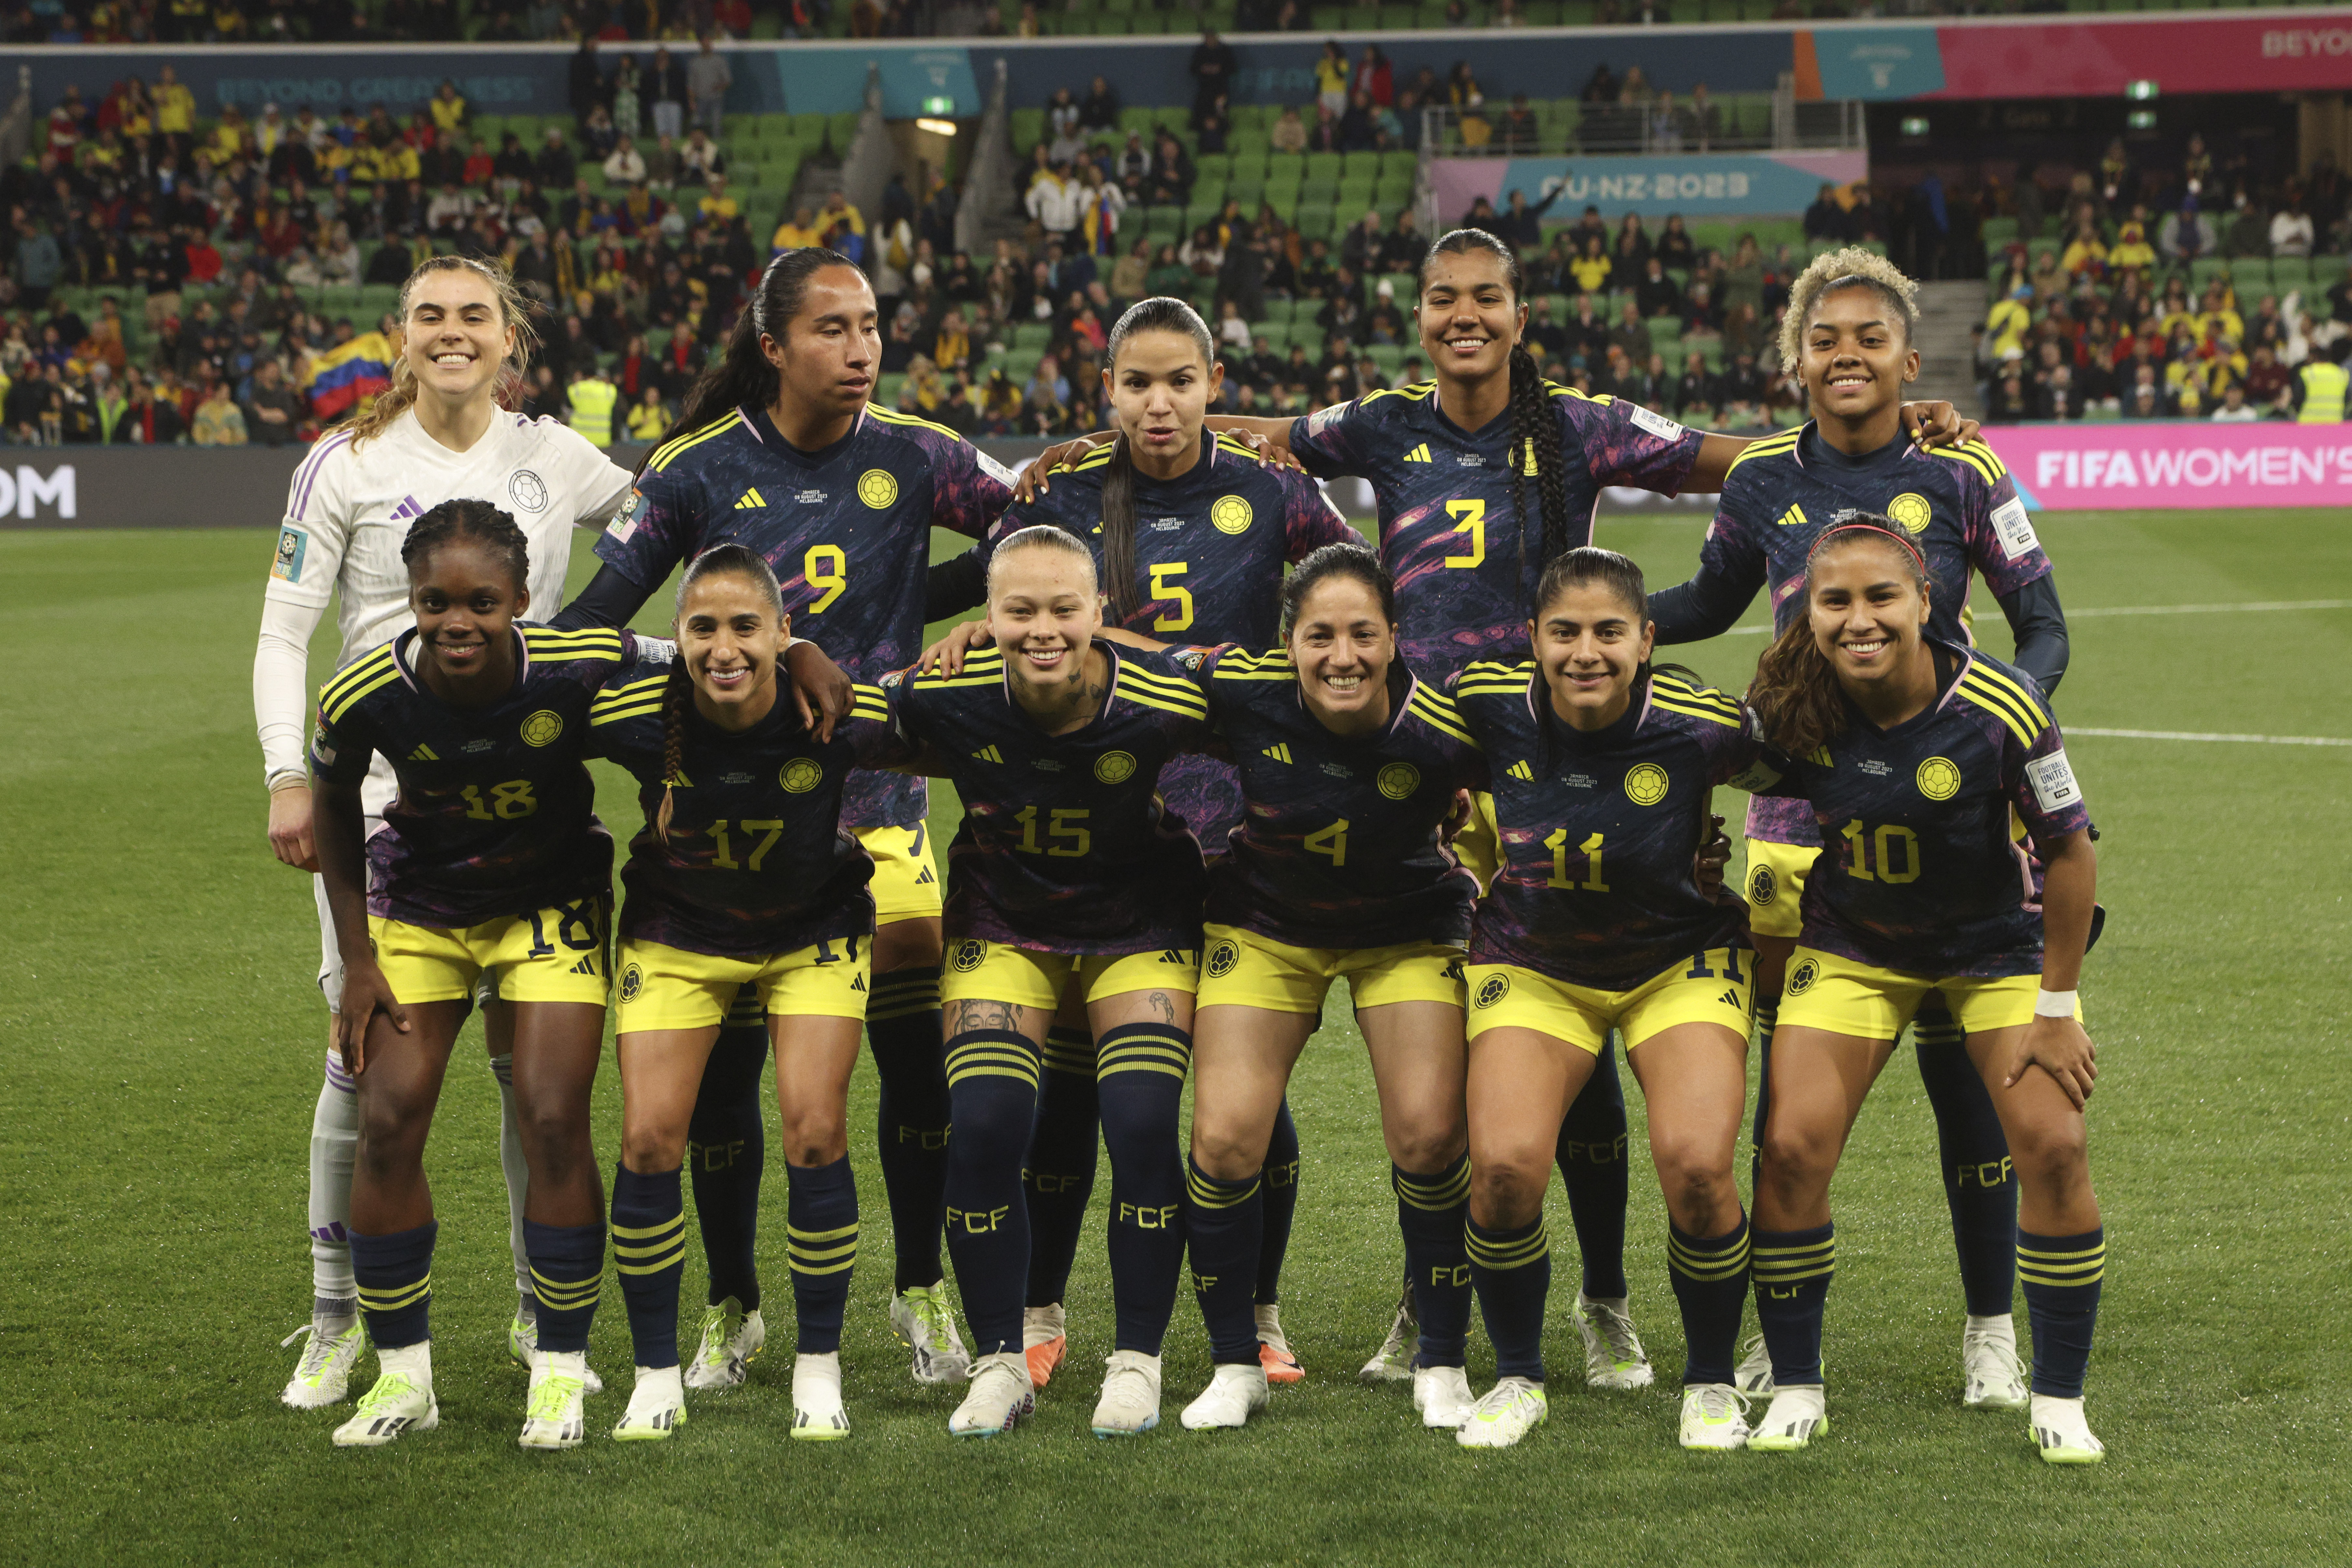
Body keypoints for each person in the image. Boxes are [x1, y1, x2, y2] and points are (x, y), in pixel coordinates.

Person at [1022, 227, 1975, 1390]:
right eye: (1441, 299)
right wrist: (1108, 438)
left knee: (1584, 1013)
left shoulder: (1580, 422)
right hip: (1427, 764)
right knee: (1500, 1055)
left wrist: (1882, 422)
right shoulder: (1379, 421)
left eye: (1485, 299)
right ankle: (1434, 1307)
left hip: (1547, 751)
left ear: (1521, 317)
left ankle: (1606, 1298)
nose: (1463, 316)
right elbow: (1262, 435)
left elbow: (1732, 458)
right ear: (1420, 314)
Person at [554, 247, 1019, 1392]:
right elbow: (597, 621)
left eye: (871, 327)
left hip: (881, 823)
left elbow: (1035, 537)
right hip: (724, 836)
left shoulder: (919, 454)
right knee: (720, 1090)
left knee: (918, 1077)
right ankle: (733, 1305)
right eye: (832, 330)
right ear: (772, 348)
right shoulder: (694, 470)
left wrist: (940, 607)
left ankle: (919, 1291)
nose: (861, 350)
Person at [1645, 247, 2071, 1410]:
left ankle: (1991, 1329)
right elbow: (1710, 605)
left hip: (1953, 809)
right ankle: (1777, 1333)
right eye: (1825, 339)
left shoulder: (1967, 468)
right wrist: (1604, 611)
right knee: (1792, 1099)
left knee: (1969, 1085)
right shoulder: (1764, 481)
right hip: (1797, 821)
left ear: (1907, 356)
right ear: (1796, 360)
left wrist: (2017, 711)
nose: (1847, 355)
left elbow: (2044, 623)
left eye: (1868, 337)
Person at [923, 299, 1354, 1391]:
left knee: (1244, 1089)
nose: (1158, 404)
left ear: (1216, 379)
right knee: (1072, 1086)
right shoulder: (1058, 494)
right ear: (1105, 386)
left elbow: (1358, 599)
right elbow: (993, 595)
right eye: (1136, 384)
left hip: (1239, 830)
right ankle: (1036, 1307)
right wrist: (980, 626)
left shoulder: (1272, 489)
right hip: (1093, 838)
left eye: (1180, 381)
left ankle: (1256, 1307)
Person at [255, 256, 638, 1414]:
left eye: (475, 315)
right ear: (401, 335)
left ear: (510, 337)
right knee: (362, 1062)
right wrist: (287, 773)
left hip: (525, 796)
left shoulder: (556, 456)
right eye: (431, 316)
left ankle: (539, 1308)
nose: (453, 333)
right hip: (378, 801)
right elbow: (284, 634)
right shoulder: (347, 461)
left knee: (536, 1076)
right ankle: (336, 1319)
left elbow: (670, 519)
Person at [1739, 518, 2107, 1465]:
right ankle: (1795, 1384)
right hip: (1855, 948)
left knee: (2055, 1145)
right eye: (1836, 601)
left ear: (1927, 603)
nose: (1860, 620)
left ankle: (2059, 1397)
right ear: (1807, 612)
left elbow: (2070, 849)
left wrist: (2058, 1008)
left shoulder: (2005, 703)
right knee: (1788, 1147)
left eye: (1880, 598)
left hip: (1993, 952)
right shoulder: (1786, 704)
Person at [308, 501, 633, 1449]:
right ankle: (403, 1376)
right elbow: (333, 806)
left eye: (482, 602)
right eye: (435, 601)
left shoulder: (577, 667)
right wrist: (358, 958)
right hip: (422, 909)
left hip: (550, 903)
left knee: (550, 1115)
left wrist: (805, 655)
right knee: (391, 1117)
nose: (457, 622)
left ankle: (561, 1370)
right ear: (411, 600)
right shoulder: (366, 688)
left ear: (522, 598)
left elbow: (691, 681)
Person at [879, 525, 1214, 1439]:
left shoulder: (1161, 695)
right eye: (1018, 610)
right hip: (1006, 922)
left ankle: (1138, 1361)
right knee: (984, 1126)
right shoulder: (942, 696)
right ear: (985, 619)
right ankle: (999, 1362)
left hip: (1136, 924)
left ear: (1099, 614)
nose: (1042, 629)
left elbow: (1279, 715)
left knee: (1143, 1123)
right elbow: (829, 717)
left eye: (1065, 608)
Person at [1448, 547, 1770, 1450]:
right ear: (1533, 641)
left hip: (1678, 959)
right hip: (1535, 958)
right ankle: (1518, 1375)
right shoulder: (1484, 704)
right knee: (1507, 1166)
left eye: (1608, 632)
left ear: (1647, 639)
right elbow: (1385, 739)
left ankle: (1708, 1382)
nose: (1585, 651)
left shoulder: (1704, 724)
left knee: (1700, 1164)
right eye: (1564, 632)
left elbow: (1820, 767)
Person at [1165, 545, 1487, 1433]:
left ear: (1394, 638)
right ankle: (1237, 1363)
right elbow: (1125, 657)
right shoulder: (1243, 687)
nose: (1341, 655)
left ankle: (1444, 1357)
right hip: (1266, 926)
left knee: (1428, 1133)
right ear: (1288, 642)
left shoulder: (1446, 726)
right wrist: (991, 632)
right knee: (1226, 1138)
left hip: (1408, 929)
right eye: (1319, 636)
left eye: (1361, 635)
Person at [586, 547, 898, 1443]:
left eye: (746, 627)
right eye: (704, 627)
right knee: (649, 1138)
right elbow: (541, 684)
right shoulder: (638, 712)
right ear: (677, 638)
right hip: (680, 934)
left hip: (811, 933)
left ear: (784, 633)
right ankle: (654, 1372)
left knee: (814, 1127)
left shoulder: (832, 707)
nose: (725, 647)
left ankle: (818, 1363)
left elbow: (953, 727)